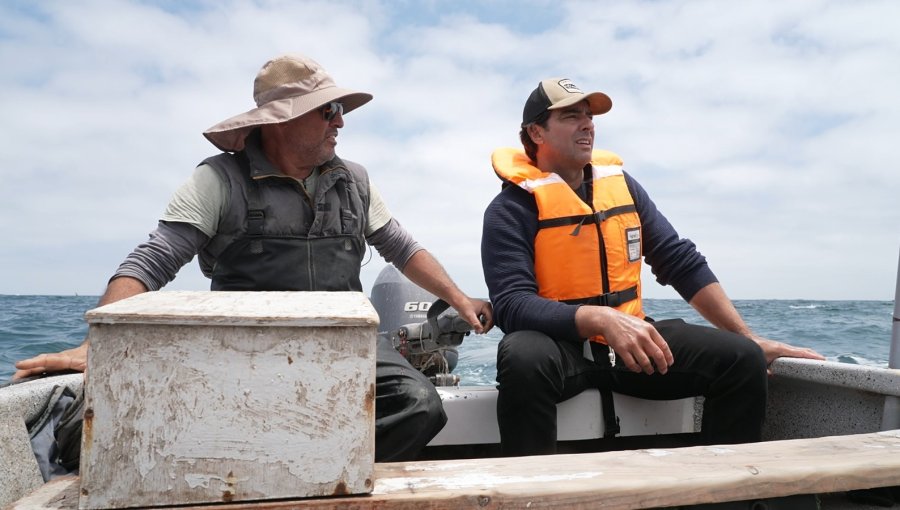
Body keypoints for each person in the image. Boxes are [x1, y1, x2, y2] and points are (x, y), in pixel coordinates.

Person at [14, 53, 494, 462]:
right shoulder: (218, 181)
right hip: (246, 346)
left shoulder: (356, 181)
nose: (340, 122)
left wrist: (458, 296)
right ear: (283, 119)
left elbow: (401, 246)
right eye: (328, 110)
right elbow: (150, 263)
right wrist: (95, 344)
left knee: (420, 406)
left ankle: (324, 486)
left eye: (339, 111)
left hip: (348, 339)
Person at [481, 77, 823, 457]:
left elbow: (678, 260)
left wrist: (745, 335)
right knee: (520, 355)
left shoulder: (623, 188)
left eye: (590, 116)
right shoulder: (509, 210)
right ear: (536, 132)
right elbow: (512, 305)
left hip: (633, 346)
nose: (587, 124)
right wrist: (601, 319)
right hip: (560, 352)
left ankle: (724, 497)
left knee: (742, 359)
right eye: (571, 115)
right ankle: (534, 495)